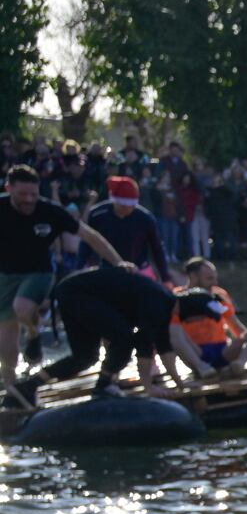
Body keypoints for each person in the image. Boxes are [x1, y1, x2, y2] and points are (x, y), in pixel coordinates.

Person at [2, 163, 129, 372]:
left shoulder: (49, 211)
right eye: (22, 194)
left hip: (38, 271)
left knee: (22, 308)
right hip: (5, 274)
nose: (28, 200)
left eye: (33, 194)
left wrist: (118, 262)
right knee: (5, 334)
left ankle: (32, 331)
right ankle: (11, 387)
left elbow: (90, 236)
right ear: (8, 188)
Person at [29, 263, 217, 392]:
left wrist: (180, 385)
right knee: (124, 337)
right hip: (76, 293)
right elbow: (144, 345)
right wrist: (149, 388)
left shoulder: (165, 306)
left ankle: (30, 385)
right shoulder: (158, 304)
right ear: (194, 314)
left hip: (72, 292)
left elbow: (164, 347)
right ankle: (104, 386)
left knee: (85, 357)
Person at [87, 175, 168, 275]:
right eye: (124, 206)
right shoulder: (97, 215)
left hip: (138, 270)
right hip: (106, 269)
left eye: (132, 206)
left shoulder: (146, 219)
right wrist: (80, 266)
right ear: (115, 202)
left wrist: (165, 277)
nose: (128, 209)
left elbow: (157, 248)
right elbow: (86, 243)